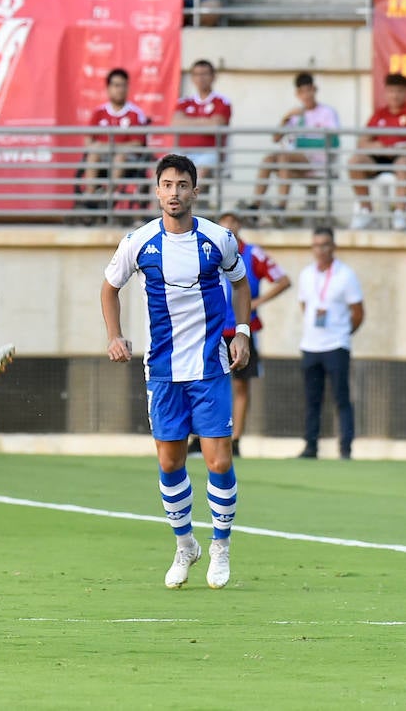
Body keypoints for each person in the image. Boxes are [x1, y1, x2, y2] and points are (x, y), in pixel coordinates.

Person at [100, 153, 250, 591]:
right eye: (167, 185)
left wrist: (240, 332)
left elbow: (240, 283)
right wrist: (115, 335)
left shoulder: (219, 239)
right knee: (170, 462)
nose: (174, 193)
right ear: (157, 190)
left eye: (182, 185)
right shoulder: (139, 242)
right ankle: (185, 544)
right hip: (163, 370)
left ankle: (220, 547)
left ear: (194, 191)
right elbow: (109, 288)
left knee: (219, 459)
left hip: (209, 366)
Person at [217, 211, 289, 456]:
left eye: (233, 223)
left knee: (240, 385)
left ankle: (235, 439)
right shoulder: (209, 251)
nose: (229, 228)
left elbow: (282, 280)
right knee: (209, 385)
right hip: (214, 329)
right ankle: (207, 436)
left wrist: (256, 302)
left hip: (241, 329)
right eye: (224, 224)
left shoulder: (252, 254)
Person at [295, 226, 363, 460]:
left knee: (341, 398)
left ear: (333, 246)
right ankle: (310, 446)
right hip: (311, 345)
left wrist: (343, 332)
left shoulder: (346, 275)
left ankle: (345, 448)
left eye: (325, 245)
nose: (320, 250)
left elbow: (358, 312)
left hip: (336, 345)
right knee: (311, 399)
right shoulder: (306, 274)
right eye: (316, 245)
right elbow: (305, 306)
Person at [246, 72, 340, 218]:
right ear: (297, 94)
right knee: (269, 159)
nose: (307, 95)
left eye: (309, 90)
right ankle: (254, 206)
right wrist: (286, 117)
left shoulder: (327, 112)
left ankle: (281, 207)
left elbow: (333, 139)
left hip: (319, 162)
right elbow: (276, 138)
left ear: (315, 89)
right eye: (302, 92)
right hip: (295, 162)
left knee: (284, 157)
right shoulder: (296, 114)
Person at [347, 72, 406, 231]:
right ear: (385, 92)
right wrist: (376, 147)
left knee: (404, 164)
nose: (395, 95)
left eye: (399, 91)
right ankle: (366, 211)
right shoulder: (379, 114)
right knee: (355, 162)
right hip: (379, 158)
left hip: (403, 157)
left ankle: (399, 213)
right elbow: (363, 141)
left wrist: (404, 148)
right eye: (391, 91)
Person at [77, 67, 151, 215]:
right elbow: (88, 141)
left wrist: (111, 146)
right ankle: (90, 199)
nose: (120, 89)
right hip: (102, 157)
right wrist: (101, 147)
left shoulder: (135, 113)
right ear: (109, 88)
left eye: (123, 85)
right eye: (116, 85)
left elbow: (138, 143)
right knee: (93, 154)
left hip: (128, 159)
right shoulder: (99, 112)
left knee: (120, 156)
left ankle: (107, 197)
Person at [164, 58, 231, 175]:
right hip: (182, 152)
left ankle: (191, 194)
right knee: (160, 171)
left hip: (209, 153)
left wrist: (188, 122)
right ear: (192, 78)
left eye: (205, 74)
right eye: (197, 74)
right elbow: (175, 124)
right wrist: (205, 121)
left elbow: (215, 125)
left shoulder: (221, 101)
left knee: (198, 173)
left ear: (213, 76)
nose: (201, 78)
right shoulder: (184, 101)